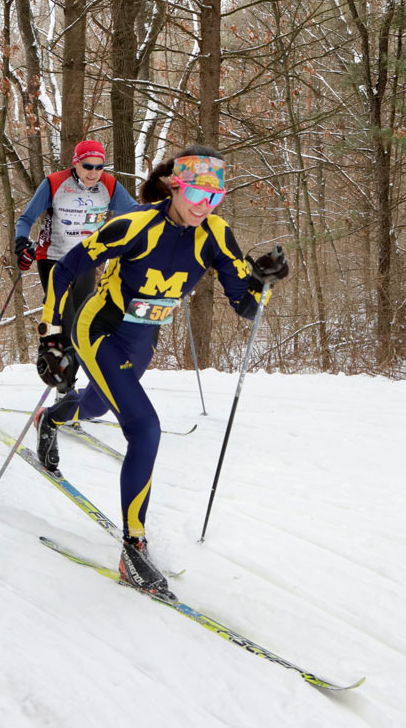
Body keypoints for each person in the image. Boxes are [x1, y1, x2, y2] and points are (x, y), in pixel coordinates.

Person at [34, 145, 288, 597]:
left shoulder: (216, 235)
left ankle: (51, 419)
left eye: (215, 197)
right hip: (100, 330)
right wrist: (52, 336)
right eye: (195, 193)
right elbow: (65, 270)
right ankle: (133, 547)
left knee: (94, 407)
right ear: (175, 185)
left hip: (142, 339)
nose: (203, 205)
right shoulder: (134, 225)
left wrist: (262, 283)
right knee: (144, 427)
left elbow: (246, 308)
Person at [14, 139, 138, 389]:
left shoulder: (109, 186)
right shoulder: (55, 183)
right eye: (87, 166)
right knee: (66, 323)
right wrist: (21, 245)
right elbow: (26, 219)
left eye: (99, 167)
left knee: (83, 326)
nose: (93, 172)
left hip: (85, 262)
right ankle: (64, 389)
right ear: (76, 163)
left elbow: (136, 214)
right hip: (52, 260)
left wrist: (167, 225)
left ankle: (68, 384)